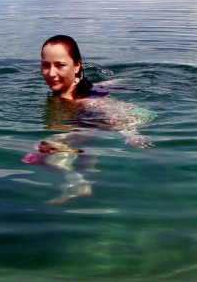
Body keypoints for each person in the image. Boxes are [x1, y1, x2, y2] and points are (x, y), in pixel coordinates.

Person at [24, 35, 153, 203]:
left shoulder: (86, 100)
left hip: (96, 121)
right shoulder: (69, 92)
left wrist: (131, 134)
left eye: (60, 65)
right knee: (70, 142)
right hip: (85, 124)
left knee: (45, 148)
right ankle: (82, 178)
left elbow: (124, 114)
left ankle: (77, 181)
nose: (51, 73)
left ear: (77, 65)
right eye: (45, 65)